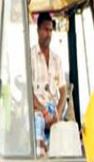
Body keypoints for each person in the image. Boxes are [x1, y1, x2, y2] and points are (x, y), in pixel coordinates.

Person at [31, 12, 66, 154]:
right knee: (37, 121)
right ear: (38, 30)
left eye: (51, 30)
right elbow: (29, 92)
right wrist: (44, 113)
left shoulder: (57, 60)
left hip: (53, 110)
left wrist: (56, 114)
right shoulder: (30, 57)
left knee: (65, 129)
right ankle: (38, 158)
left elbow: (63, 92)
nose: (49, 34)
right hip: (37, 110)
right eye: (46, 30)